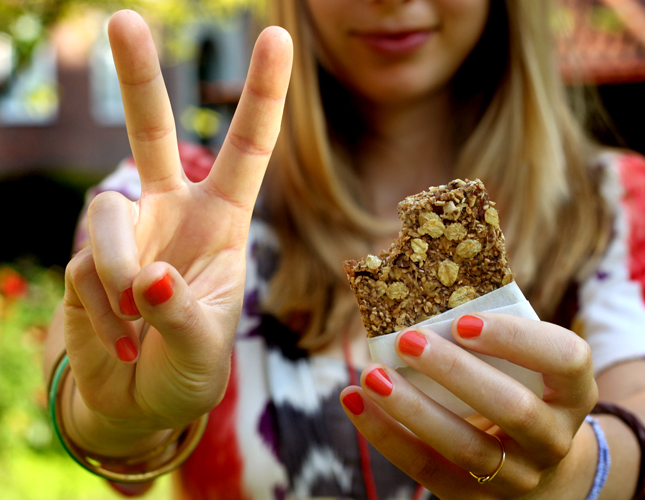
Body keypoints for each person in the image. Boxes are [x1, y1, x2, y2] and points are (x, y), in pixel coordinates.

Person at [44, 0, 645, 498]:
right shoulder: (171, 211)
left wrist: (574, 474)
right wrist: (120, 416)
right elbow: (83, 405)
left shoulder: (617, 207)